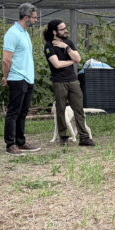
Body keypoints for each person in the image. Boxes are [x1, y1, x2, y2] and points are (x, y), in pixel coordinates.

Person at [43, 18, 95, 147]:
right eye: (62, 29)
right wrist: (71, 62)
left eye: (66, 28)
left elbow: (78, 58)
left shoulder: (68, 43)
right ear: (54, 32)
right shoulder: (49, 46)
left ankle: (84, 137)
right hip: (59, 82)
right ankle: (63, 137)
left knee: (78, 109)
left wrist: (66, 47)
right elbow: (57, 64)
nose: (66, 31)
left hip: (73, 80)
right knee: (60, 110)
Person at [1, 2, 40, 155]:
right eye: (34, 18)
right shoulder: (12, 33)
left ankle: (20, 141)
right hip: (17, 78)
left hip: (28, 78)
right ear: (26, 17)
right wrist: (6, 76)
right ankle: (10, 144)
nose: (36, 21)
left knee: (23, 112)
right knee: (13, 112)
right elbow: (6, 59)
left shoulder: (24, 32)